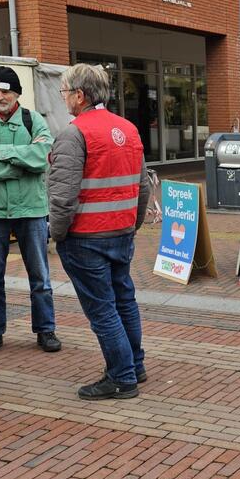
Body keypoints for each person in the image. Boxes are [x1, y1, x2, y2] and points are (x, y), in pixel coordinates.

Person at [49, 64, 150, 400]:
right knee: (124, 300)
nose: (63, 99)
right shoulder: (129, 129)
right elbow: (143, 185)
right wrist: (131, 223)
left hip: (86, 237)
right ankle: (134, 365)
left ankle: (121, 378)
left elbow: (63, 196)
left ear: (80, 95)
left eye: (64, 92)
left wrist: (58, 233)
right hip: (120, 231)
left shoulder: (74, 134)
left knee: (102, 309)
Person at [0, 67, 60, 358]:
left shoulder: (33, 120)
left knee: (40, 275)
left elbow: (44, 157)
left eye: (5, 91)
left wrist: (0, 151)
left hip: (31, 209)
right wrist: (21, 159)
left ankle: (46, 329)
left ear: (17, 93)